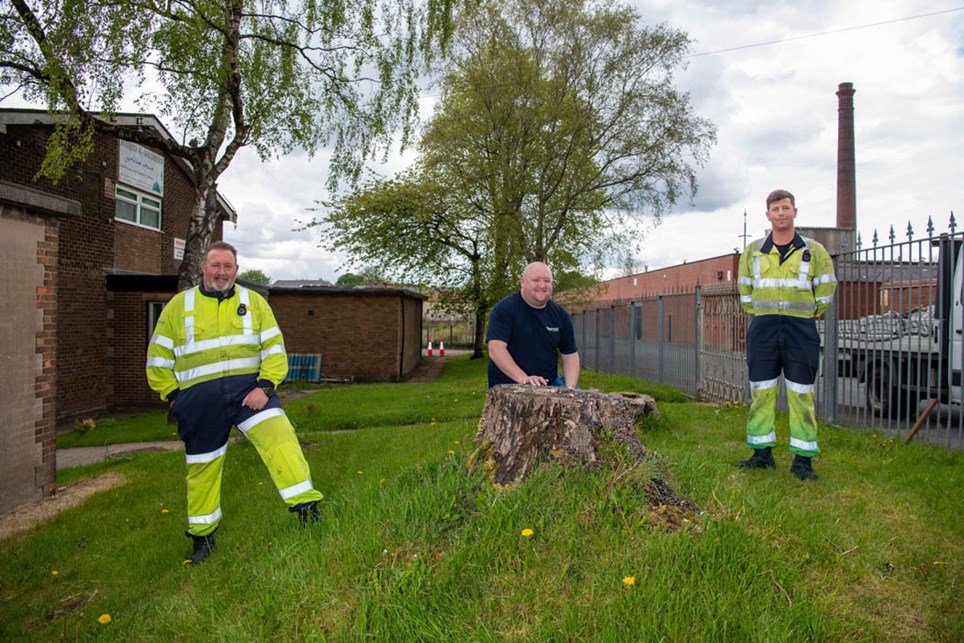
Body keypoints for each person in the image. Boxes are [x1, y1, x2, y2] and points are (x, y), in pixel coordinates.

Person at [146, 241, 323, 564]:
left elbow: (273, 349)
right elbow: (157, 358)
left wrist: (266, 386)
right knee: (203, 468)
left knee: (281, 438)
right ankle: (202, 538)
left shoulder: (254, 302)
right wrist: (174, 397)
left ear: (236, 270)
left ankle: (308, 509)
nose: (222, 272)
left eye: (228, 266)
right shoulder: (178, 306)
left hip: (250, 393)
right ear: (203, 267)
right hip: (199, 400)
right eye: (216, 265)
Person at [736, 189, 837, 480]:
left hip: (800, 329)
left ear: (794, 211)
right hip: (763, 329)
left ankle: (803, 459)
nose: (781, 213)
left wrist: (810, 312)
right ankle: (761, 453)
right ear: (767, 215)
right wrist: (758, 311)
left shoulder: (814, 251)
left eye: (785, 208)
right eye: (775, 209)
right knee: (761, 391)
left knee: (801, 392)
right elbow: (744, 289)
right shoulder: (753, 251)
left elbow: (827, 287)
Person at [486, 261, 580, 389]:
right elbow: (495, 349)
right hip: (509, 387)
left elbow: (570, 355)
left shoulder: (560, 315)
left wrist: (571, 389)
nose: (542, 285)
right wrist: (524, 378)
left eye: (547, 280)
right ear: (522, 282)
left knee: (581, 403)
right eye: (536, 280)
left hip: (550, 384)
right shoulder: (504, 309)